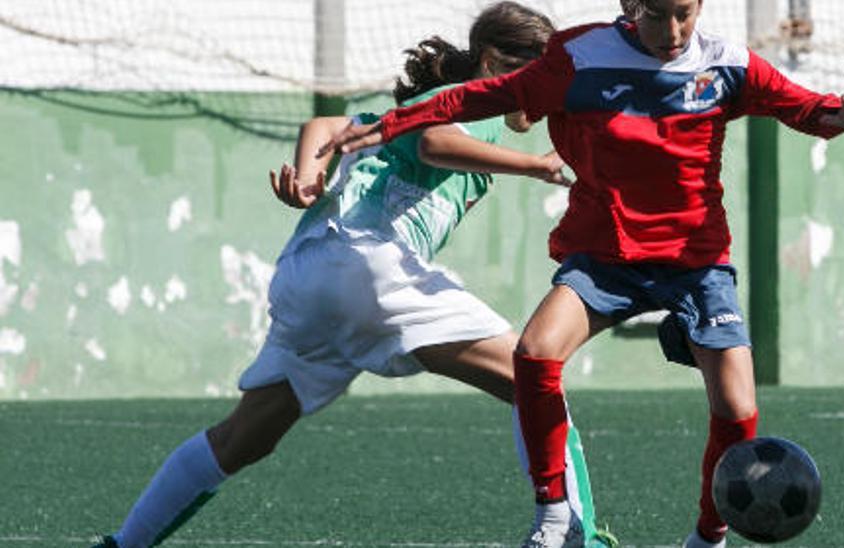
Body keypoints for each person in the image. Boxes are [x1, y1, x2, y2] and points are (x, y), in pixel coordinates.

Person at [319, 1, 844, 546]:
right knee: (534, 353)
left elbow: (822, 117)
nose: (672, 31)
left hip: (696, 262)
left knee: (739, 410)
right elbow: (482, 95)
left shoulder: (729, 65)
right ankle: (555, 514)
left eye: (685, 13)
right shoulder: (579, 56)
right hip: (605, 256)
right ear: (630, 4)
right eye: (657, 14)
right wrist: (391, 125)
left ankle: (708, 536)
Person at [91, 3, 618, 547]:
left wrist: (309, 176)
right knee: (531, 375)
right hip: (369, 264)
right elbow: (434, 142)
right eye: (539, 73)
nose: (547, 89)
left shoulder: (409, 111)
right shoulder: (474, 102)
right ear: (492, 63)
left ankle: (122, 544)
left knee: (243, 439)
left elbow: (324, 124)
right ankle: (576, 536)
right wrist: (538, 166)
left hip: (309, 273)